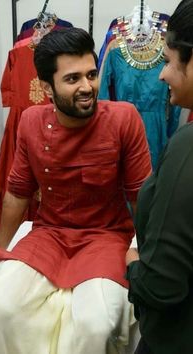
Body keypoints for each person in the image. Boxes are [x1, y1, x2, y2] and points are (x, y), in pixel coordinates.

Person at [0, 27, 151, 354]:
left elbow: (142, 196)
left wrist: (147, 257)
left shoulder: (124, 119)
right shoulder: (30, 122)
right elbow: (17, 192)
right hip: (50, 233)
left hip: (106, 236)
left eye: (92, 74)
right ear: (46, 88)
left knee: (97, 324)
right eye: (72, 79)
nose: (87, 87)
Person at [126, 1, 193, 353]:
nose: (161, 75)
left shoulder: (187, 149)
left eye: (167, 61)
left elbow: (161, 286)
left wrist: (133, 264)